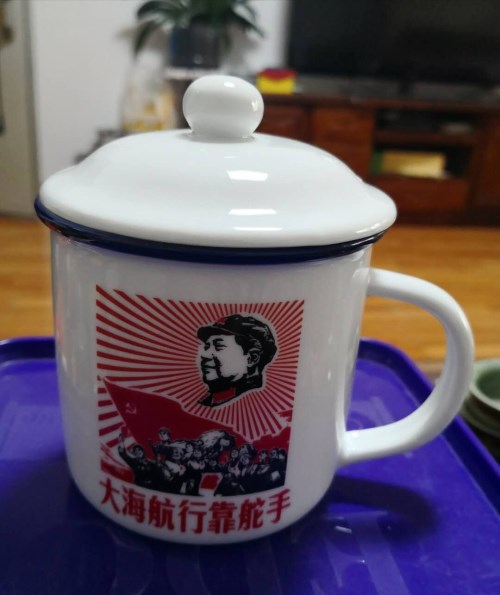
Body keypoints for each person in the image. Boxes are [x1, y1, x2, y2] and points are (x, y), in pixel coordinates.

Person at [197, 314, 277, 407]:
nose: (204, 355)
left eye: (218, 346)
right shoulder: (209, 400)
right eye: (207, 346)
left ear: (252, 358)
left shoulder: (254, 403)